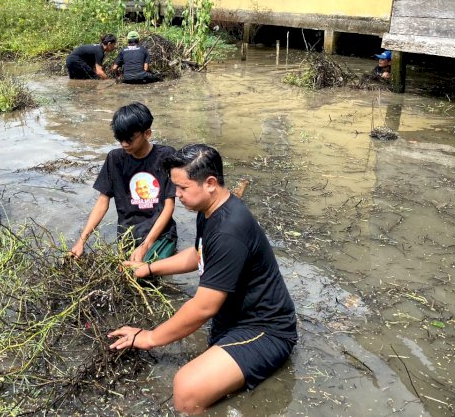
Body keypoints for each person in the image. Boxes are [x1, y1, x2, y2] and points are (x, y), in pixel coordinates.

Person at [109, 144, 296, 415]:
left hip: (265, 330)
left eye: (183, 188)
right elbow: (199, 254)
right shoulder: (211, 211)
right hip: (232, 320)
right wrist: (147, 268)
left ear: (210, 183)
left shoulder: (229, 230)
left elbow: (203, 307)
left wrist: (149, 337)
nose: (177, 195)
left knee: (186, 390)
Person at [70, 102, 177, 262]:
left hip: (161, 235)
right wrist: (81, 241)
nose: (124, 144)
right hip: (128, 236)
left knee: (146, 273)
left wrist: (146, 245)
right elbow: (102, 203)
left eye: (129, 139)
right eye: (120, 139)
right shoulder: (115, 159)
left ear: (147, 133)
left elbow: (169, 206)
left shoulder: (166, 156)